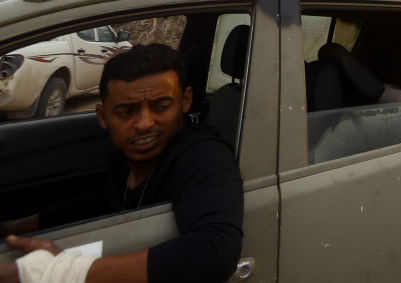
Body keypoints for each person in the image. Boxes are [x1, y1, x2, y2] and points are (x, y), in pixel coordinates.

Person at [0, 44, 243, 283]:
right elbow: (105, 201)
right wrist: (17, 228)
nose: (145, 123)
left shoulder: (203, 156)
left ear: (186, 101)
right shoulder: (128, 157)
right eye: (126, 111)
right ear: (103, 117)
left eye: (162, 106)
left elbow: (216, 251)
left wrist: (63, 272)